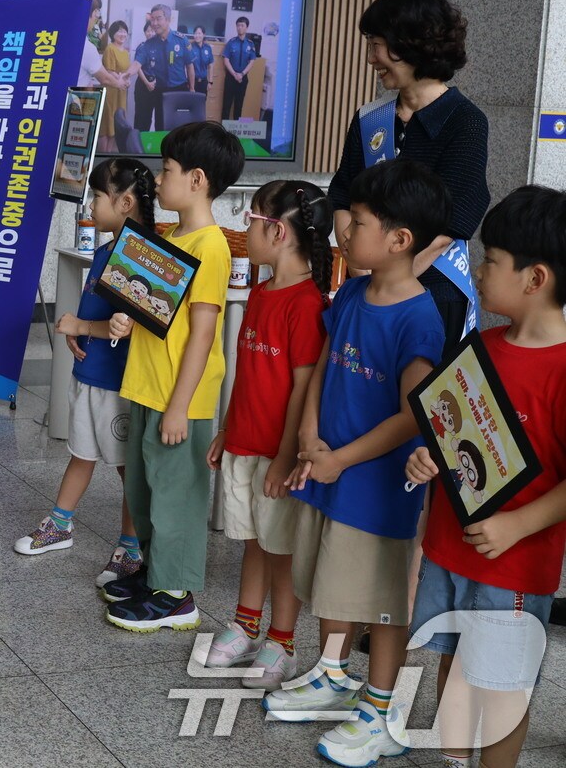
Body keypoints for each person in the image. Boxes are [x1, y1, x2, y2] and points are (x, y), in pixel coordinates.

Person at [267, 160, 452, 766]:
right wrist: (311, 434)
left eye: (360, 222)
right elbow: (324, 364)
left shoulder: (418, 317)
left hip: (374, 484)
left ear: (400, 240)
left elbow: (412, 415)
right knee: (332, 583)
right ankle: (332, 672)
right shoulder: (351, 290)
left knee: (379, 596)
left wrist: (339, 458)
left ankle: (379, 707)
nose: (344, 228)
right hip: (328, 468)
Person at [405, 186, 566, 768]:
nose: (479, 269)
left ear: (536, 277)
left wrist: (517, 524)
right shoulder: (484, 346)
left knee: (502, 687)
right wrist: (427, 457)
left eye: (491, 259)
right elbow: (452, 430)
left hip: (513, 564)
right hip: (452, 547)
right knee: (453, 661)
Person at [102, 121, 245, 632]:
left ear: (198, 179)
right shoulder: (169, 235)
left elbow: (203, 332)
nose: (158, 182)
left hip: (179, 397)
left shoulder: (212, 245)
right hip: (147, 383)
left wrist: (181, 406)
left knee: (176, 494)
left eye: (166, 171)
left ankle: (176, 593)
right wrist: (124, 316)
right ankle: (155, 572)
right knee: (144, 489)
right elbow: (152, 307)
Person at [199, 180, 332, 691]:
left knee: (281, 548)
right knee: (253, 539)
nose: (243, 229)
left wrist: (283, 457)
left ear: (277, 231)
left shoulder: (306, 303)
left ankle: (283, 640)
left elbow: (302, 388)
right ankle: (246, 624)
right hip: (244, 442)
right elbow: (246, 371)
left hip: (275, 452)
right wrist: (228, 429)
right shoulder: (259, 292)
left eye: (250, 220)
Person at [15, 158, 157, 588]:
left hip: (117, 383)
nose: (91, 202)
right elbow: (103, 312)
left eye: (98, 195)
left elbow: (129, 326)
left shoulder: (140, 256)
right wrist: (82, 327)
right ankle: (60, 523)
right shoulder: (105, 249)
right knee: (82, 452)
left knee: (124, 467)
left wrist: (80, 327)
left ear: (125, 202)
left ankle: (131, 547)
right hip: (91, 371)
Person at [328, 0, 489, 355]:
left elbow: (453, 222)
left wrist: (390, 282)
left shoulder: (465, 122)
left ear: (410, 44)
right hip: (367, 287)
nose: (371, 59)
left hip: (431, 293)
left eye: (377, 45)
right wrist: (358, 264)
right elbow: (341, 194)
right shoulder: (371, 119)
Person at [133, 4, 194, 132]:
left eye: (158, 18)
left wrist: (192, 89)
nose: (154, 23)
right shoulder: (149, 44)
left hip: (179, 89)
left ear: (168, 19)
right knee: (160, 125)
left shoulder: (181, 40)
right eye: (152, 19)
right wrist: (126, 74)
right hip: (160, 90)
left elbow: (189, 66)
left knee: (178, 126)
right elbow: (137, 64)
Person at [98, 21, 140, 154]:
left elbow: (127, 71)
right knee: (107, 124)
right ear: (112, 34)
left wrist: (127, 81)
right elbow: (109, 71)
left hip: (121, 91)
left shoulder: (125, 51)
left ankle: (109, 154)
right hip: (111, 89)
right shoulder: (110, 48)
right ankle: (101, 155)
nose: (122, 34)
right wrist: (121, 80)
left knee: (116, 124)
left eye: (124, 31)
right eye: (119, 31)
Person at [221, 17, 257, 121]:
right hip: (230, 78)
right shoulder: (231, 42)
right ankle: (223, 132)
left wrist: (242, 74)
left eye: (242, 25)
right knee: (226, 106)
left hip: (243, 78)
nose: (239, 28)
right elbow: (226, 59)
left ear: (247, 27)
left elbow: (252, 61)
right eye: (238, 25)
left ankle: (236, 133)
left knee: (239, 106)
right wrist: (234, 74)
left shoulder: (250, 44)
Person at [189, 26, 214, 95]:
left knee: (202, 103)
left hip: (204, 82)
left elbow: (210, 66)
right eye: (195, 33)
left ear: (204, 35)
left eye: (199, 33)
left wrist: (210, 82)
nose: (197, 36)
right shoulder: (190, 47)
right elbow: (186, 67)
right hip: (192, 82)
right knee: (191, 104)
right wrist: (189, 84)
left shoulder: (208, 48)